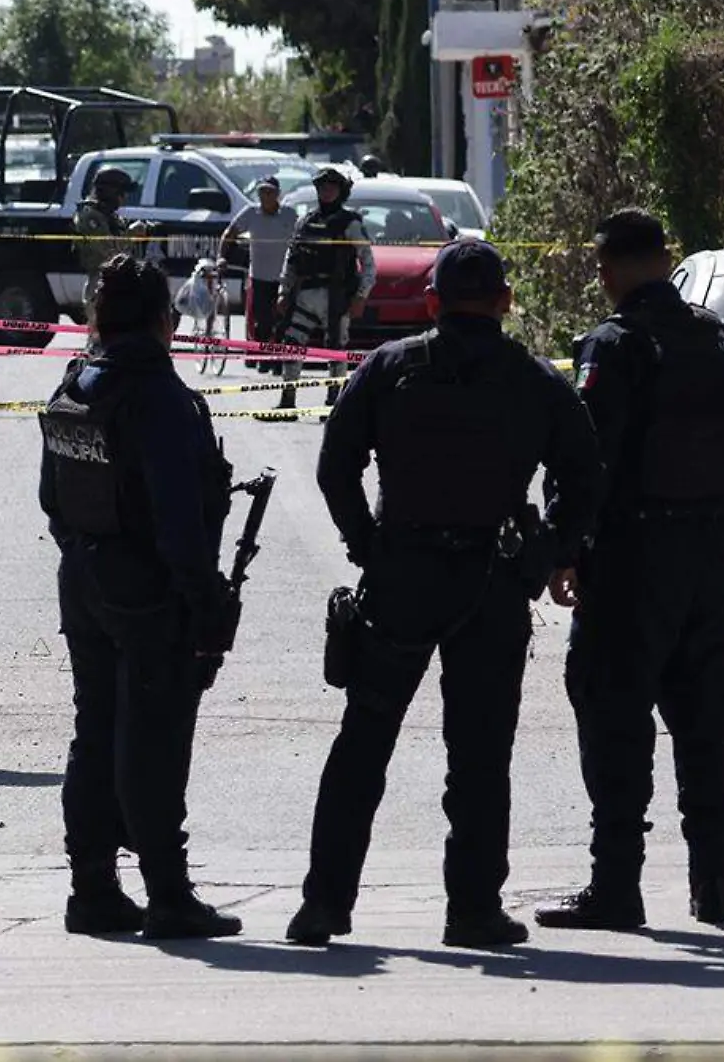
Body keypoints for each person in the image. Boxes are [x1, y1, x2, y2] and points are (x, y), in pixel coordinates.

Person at [286, 240, 604, 949]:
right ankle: (473, 910)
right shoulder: (530, 379)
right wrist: (543, 558)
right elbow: (586, 476)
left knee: (363, 744)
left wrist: (369, 546)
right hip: (490, 581)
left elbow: (336, 464)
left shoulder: (391, 367)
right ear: (505, 302)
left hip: (402, 575)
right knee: (481, 754)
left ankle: (325, 905)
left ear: (432, 302)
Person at [537, 208, 724, 930]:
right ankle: (713, 888)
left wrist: (563, 548)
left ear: (612, 269)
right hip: (705, 561)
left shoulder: (615, 346)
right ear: (667, 259)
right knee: (701, 721)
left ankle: (617, 888)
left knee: (613, 715)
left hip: (630, 562)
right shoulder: (721, 343)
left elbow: (587, 461)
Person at [39, 254, 243, 941]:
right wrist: (203, 600)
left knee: (95, 732)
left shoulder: (77, 384)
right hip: (148, 591)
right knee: (153, 739)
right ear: (164, 319)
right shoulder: (159, 397)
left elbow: (52, 499)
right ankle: (167, 893)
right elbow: (179, 518)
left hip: (86, 580)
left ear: (98, 317)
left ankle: (92, 888)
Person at [275, 167, 376, 410]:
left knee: (336, 349)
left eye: (332, 187)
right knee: (292, 344)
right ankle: (288, 402)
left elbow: (369, 262)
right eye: (322, 187)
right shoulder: (305, 221)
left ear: (341, 191)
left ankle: (333, 405)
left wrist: (361, 296)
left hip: (337, 297)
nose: (326, 191)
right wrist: (283, 292)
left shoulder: (349, 223)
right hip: (305, 295)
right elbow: (291, 259)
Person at [74, 167, 158, 354]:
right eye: (121, 193)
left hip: (119, 284)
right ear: (109, 192)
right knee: (100, 345)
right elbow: (107, 252)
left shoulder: (110, 216)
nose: (123, 199)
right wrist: (132, 234)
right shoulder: (90, 217)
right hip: (100, 286)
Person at [220, 176, 298, 350]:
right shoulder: (250, 213)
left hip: (284, 279)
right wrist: (222, 256)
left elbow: (302, 239)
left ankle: (278, 358)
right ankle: (262, 355)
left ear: (278, 194)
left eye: (269, 192)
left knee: (283, 320)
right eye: (262, 191)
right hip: (260, 277)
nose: (265, 196)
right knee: (262, 320)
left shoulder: (289, 214)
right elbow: (230, 233)